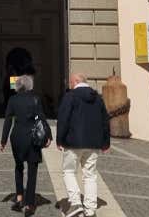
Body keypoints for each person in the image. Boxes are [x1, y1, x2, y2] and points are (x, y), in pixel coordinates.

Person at [56, 73, 110, 217]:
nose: (69, 85)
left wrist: (59, 140)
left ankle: (75, 203)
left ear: (76, 81)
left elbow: (63, 119)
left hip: (73, 142)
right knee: (90, 175)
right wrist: (106, 142)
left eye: (70, 82)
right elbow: (105, 120)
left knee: (68, 171)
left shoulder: (70, 96)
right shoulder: (98, 98)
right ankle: (90, 209)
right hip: (93, 143)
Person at [0, 75, 48, 217]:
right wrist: (49, 137)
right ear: (30, 85)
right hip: (32, 138)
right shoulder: (36, 99)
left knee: (19, 167)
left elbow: (8, 120)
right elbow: (41, 118)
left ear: (18, 86)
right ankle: (29, 204)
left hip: (17, 137)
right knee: (32, 171)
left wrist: (3, 140)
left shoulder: (13, 99)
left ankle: (19, 198)